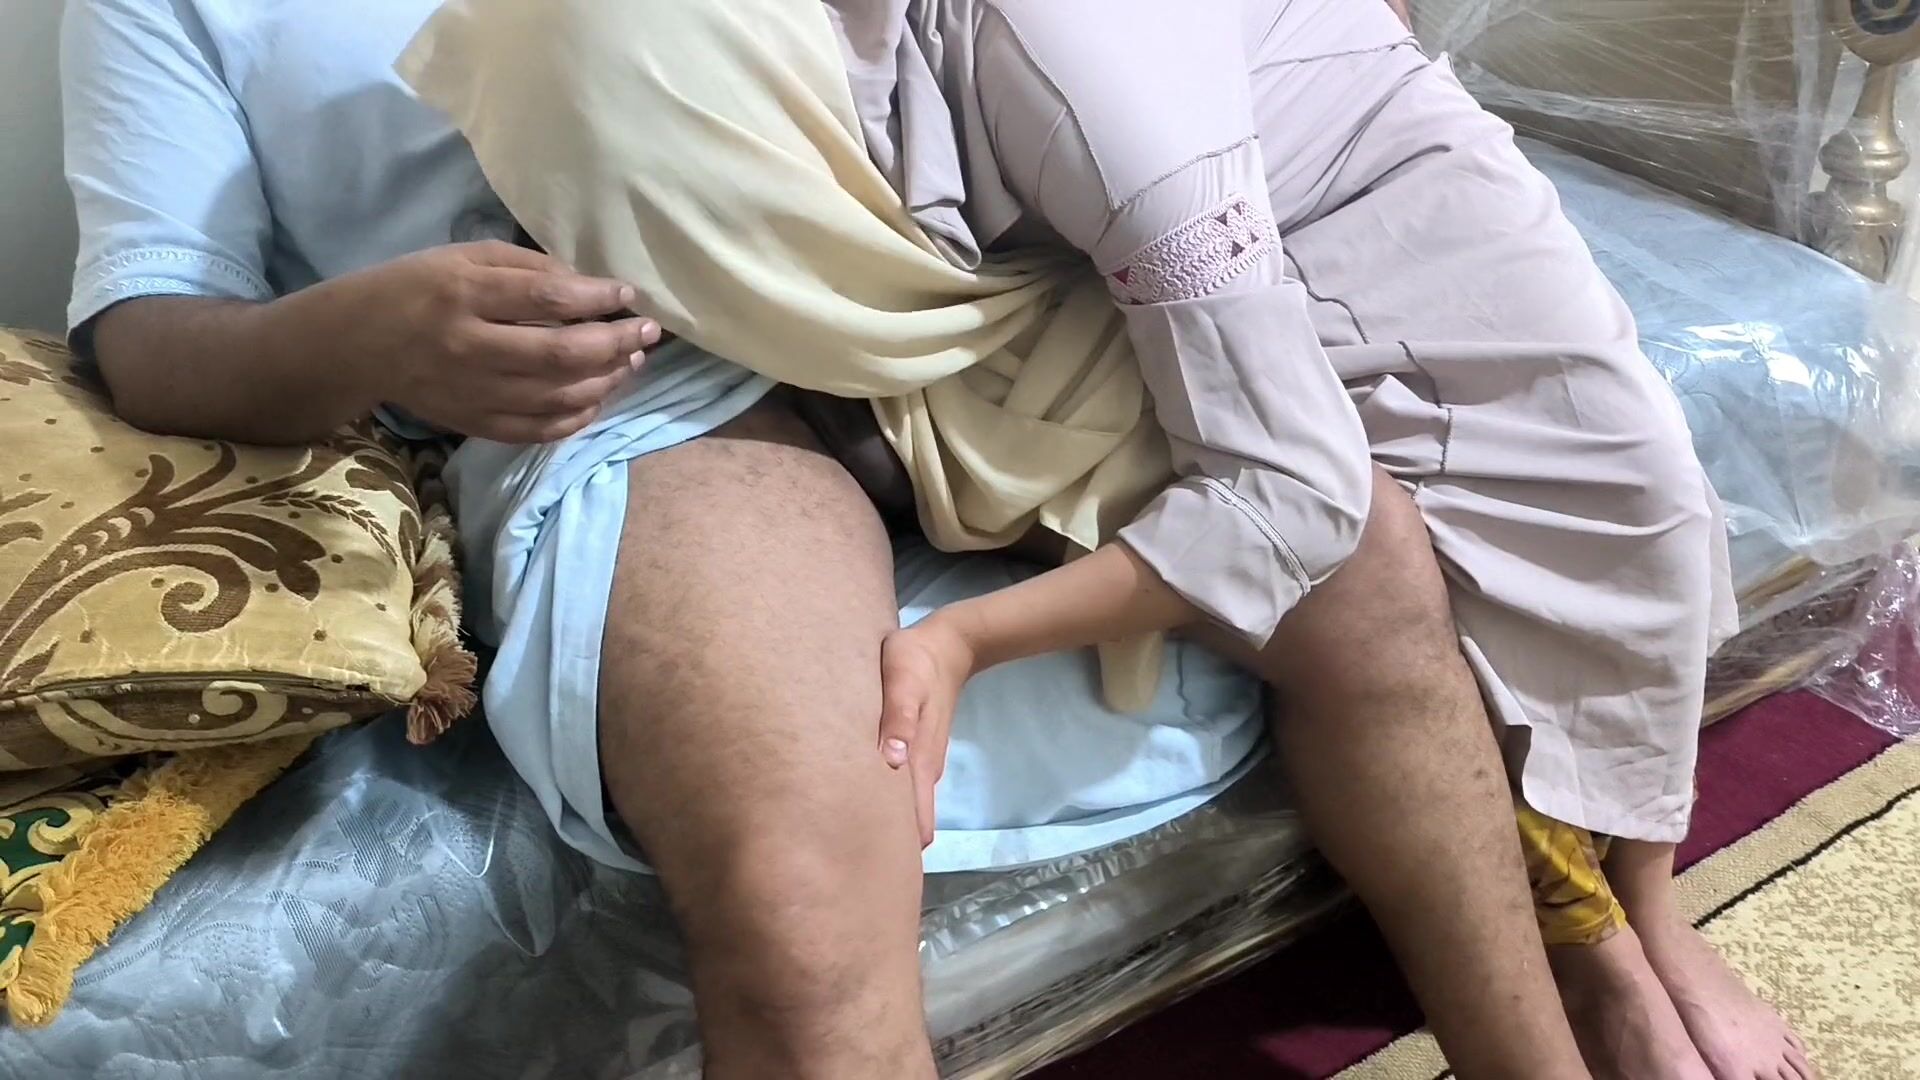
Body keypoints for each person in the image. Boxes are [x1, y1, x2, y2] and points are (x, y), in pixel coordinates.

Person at [56, 5, 1809, 1080]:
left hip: (941, 261)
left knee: (1359, 548)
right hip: (647, 398)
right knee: (802, 879)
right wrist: (375, 334)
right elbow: (144, 342)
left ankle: (1584, 964)